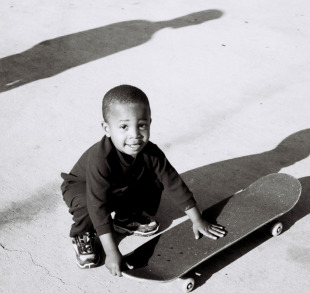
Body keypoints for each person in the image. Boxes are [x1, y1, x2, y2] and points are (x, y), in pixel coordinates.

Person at [60, 85, 225, 276]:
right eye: (124, 127)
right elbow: (97, 204)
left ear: (150, 122)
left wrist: (197, 219)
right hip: (84, 188)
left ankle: (127, 217)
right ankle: (82, 234)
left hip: (117, 188)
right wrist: (112, 252)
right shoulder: (101, 159)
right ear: (107, 128)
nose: (135, 134)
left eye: (141, 125)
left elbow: (173, 183)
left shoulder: (151, 153)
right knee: (87, 204)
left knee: (154, 179)